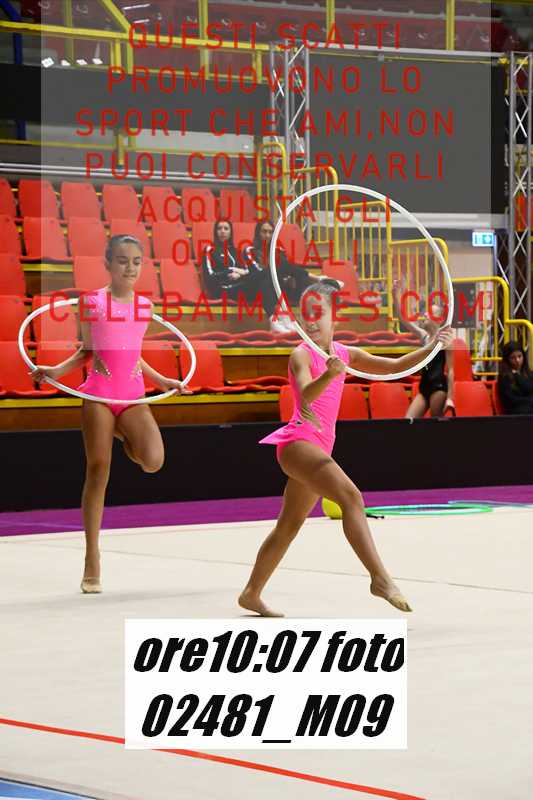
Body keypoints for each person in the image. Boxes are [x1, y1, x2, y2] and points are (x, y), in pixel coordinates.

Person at [238, 281, 453, 617]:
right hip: (298, 444)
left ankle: (251, 593)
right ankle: (380, 579)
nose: (311, 320)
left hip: (319, 448)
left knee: (288, 526)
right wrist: (328, 375)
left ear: (333, 317)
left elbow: (394, 367)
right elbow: (305, 397)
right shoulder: (300, 354)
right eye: (305, 314)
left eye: (318, 312)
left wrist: (434, 345)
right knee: (352, 498)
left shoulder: (345, 354)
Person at [32, 235, 190, 594]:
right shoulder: (92, 302)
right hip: (99, 393)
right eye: (122, 260)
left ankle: (119, 432)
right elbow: (87, 351)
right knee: (98, 469)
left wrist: (163, 380)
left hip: (132, 394)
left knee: (153, 460)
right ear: (108, 263)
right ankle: (92, 557)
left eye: (136, 261)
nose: (129, 267)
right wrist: (56, 371)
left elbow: (132, 351)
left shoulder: (144, 306)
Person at [393, 281, 455, 418]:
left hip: (438, 387)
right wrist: (395, 296)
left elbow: (451, 370)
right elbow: (403, 319)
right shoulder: (424, 336)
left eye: (430, 313)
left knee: (435, 423)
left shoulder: (444, 339)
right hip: (424, 387)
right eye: (426, 312)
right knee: (408, 420)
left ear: (439, 319)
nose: (425, 314)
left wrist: (450, 398)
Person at [201, 219, 262, 305]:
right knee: (260, 284)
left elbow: (247, 271)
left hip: (238, 286)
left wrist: (240, 274)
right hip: (221, 289)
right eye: (219, 228)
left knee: (262, 279)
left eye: (226, 229)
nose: (222, 231)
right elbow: (209, 278)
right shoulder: (210, 250)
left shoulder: (236, 251)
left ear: (230, 233)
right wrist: (230, 271)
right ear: (215, 232)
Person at [497, 341, 533, 414]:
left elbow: (529, 388)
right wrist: (516, 375)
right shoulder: (504, 377)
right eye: (512, 358)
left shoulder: (528, 373)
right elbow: (511, 400)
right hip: (515, 411)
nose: (517, 360)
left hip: (529, 407)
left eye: (519, 356)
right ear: (507, 359)